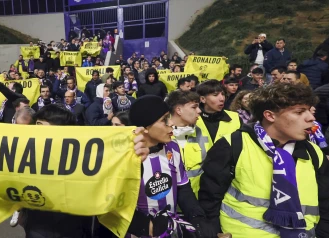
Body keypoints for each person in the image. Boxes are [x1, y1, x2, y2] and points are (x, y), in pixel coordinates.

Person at [0, 103, 154, 238]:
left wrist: (136, 159)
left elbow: (117, 178)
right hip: (38, 231)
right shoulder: (22, 155)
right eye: (36, 127)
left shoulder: (83, 156)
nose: (37, 134)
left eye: (44, 128)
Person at [198, 83, 329, 238]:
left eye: (309, 110)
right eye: (300, 112)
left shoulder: (313, 152)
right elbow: (209, 200)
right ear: (270, 115)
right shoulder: (233, 145)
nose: (311, 118)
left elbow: (325, 203)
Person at [126, 95, 215, 238]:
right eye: (164, 120)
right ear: (145, 127)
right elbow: (114, 205)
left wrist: (198, 219)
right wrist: (145, 227)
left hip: (170, 231)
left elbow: (183, 188)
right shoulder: (127, 155)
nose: (172, 123)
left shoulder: (172, 147)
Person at [185, 79, 241, 196]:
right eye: (215, 95)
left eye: (223, 94)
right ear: (203, 99)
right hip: (195, 188)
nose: (222, 98)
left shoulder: (235, 118)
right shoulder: (190, 119)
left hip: (225, 187)